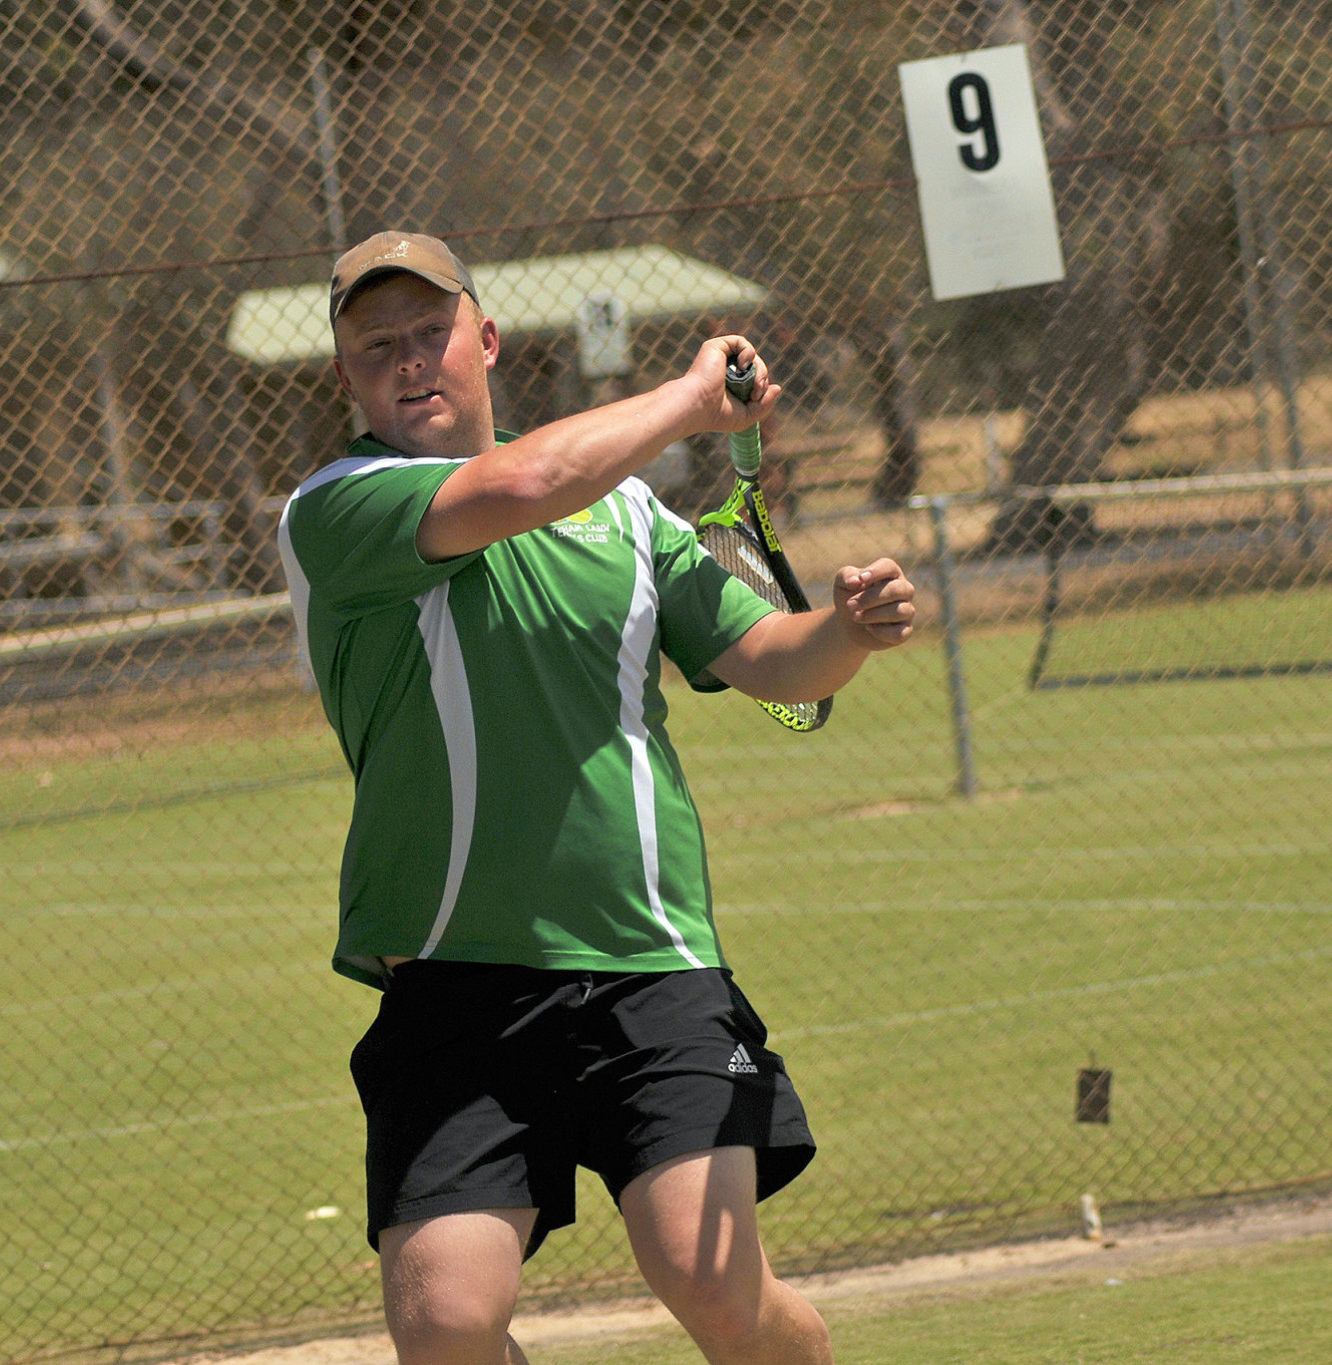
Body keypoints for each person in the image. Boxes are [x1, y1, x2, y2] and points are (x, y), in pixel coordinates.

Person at [278, 231, 917, 1365]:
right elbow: (519, 484)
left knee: (708, 1277)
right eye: (376, 348)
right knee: (445, 1324)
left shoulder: (625, 518)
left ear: (483, 341)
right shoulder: (339, 509)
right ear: (345, 378)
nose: (409, 363)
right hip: (452, 978)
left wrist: (847, 632)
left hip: (648, 962)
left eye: (431, 333)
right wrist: (682, 402)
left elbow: (770, 661)